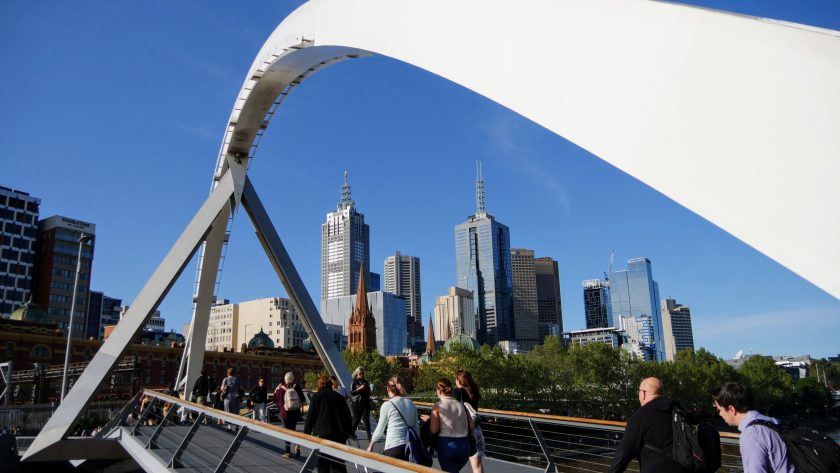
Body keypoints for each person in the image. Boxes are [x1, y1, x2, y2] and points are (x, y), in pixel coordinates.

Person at [608, 377, 688, 473]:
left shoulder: (640, 417)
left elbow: (623, 455)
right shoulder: (679, 412)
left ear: (644, 393)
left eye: (639, 391)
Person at [713, 382, 794, 473]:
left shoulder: (751, 435)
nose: (719, 414)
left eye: (719, 410)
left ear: (731, 409)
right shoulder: (773, 422)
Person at [304, 376, 353, 473]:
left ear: (319, 385)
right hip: (339, 434)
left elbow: (310, 418)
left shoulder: (316, 397)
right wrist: (348, 433)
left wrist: (306, 434)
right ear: (331, 385)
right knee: (338, 463)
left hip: (322, 435)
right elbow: (348, 416)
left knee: (323, 464)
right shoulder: (339, 397)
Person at [367, 379, 419, 460]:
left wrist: (371, 445)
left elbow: (379, 430)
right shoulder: (411, 403)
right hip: (409, 447)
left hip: (394, 446)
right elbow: (416, 428)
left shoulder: (387, 405)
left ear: (388, 389)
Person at [430, 378, 473, 473]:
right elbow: (472, 426)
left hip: (448, 447)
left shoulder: (437, 406)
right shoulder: (462, 405)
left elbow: (434, 429)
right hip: (464, 446)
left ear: (439, 390)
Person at [454, 369, 484, 473]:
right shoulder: (474, 392)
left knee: (454, 462)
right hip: (476, 429)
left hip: (464, 431)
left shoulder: (458, 392)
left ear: (459, 381)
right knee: (477, 464)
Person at [275, 371, 306, 458]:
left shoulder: (281, 388)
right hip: (295, 412)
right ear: (293, 379)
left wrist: (276, 391)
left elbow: (277, 401)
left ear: (285, 379)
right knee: (293, 429)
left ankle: (288, 452)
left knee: (287, 432)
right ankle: (297, 444)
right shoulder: (297, 387)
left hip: (285, 413)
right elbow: (303, 399)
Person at [349, 366, 372, 440]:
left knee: (366, 419)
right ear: (356, 374)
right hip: (356, 404)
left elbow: (368, 393)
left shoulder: (366, 382)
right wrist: (359, 388)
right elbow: (352, 393)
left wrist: (370, 391)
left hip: (365, 403)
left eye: (362, 373)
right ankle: (351, 433)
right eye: (360, 373)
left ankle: (369, 436)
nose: (361, 375)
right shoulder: (354, 382)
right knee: (356, 420)